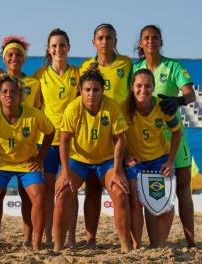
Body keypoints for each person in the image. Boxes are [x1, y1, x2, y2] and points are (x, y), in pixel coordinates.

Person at [53, 69, 132, 252]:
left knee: (120, 193)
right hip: (78, 160)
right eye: (87, 89)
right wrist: (65, 173)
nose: (91, 94)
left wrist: (118, 170)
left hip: (105, 161)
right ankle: (57, 247)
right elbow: (64, 141)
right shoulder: (73, 108)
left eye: (96, 90)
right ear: (81, 90)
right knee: (63, 192)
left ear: (102, 91)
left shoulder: (111, 107)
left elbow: (120, 139)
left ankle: (125, 246)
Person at [133, 25, 196, 247]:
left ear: (161, 41)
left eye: (155, 38)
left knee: (183, 188)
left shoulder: (173, 66)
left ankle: (191, 241)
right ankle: (150, 241)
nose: (150, 41)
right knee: (149, 191)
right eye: (146, 38)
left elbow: (191, 94)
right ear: (141, 43)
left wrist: (178, 100)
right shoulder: (135, 69)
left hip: (174, 135)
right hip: (148, 141)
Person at [0, 74, 54, 250]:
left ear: (20, 94)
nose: (8, 94)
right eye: (4, 91)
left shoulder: (34, 114)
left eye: (13, 91)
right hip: (0, 164)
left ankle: (36, 243)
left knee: (39, 196)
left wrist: (40, 157)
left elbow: (50, 132)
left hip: (27, 164)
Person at [79, 23, 133, 247]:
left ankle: (129, 241)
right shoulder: (86, 67)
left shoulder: (126, 64)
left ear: (115, 41)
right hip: (96, 135)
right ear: (94, 42)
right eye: (100, 38)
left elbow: (135, 92)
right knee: (92, 188)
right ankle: (90, 239)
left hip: (121, 133)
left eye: (109, 37)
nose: (104, 41)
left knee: (124, 188)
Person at [0, 36, 42, 245]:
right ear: (3, 58)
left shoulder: (34, 84)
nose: (14, 57)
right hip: (0, 150)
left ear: (24, 58)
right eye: (10, 54)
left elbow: (37, 112)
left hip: (27, 147)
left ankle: (29, 239)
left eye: (18, 54)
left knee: (28, 196)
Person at [124, 68, 181, 248]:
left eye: (148, 86)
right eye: (139, 86)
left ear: (154, 87)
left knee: (163, 203)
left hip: (159, 159)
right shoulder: (124, 108)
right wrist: (126, 156)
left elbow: (177, 132)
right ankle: (136, 245)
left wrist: (170, 161)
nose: (143, 90)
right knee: (135, 201)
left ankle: (158, 244)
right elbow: (114, 136)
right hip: (136, 162)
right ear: (132, 88)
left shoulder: (162, 106)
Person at [33, 28, 79, 246]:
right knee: (50, 189)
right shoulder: (40, 75)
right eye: (54, 46)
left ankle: (71, 236)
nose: (58, 49)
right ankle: (51, 236)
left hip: (72, 139)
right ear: (48, 49)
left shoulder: (77, 74)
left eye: (62, 45)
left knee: (70, 188)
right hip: (48, 140)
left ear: (68, 48)